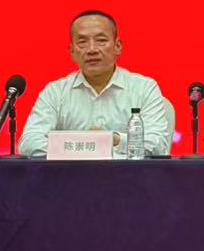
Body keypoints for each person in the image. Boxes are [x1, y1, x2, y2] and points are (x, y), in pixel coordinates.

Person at [19, 10, 173, 157]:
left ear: (118, 46)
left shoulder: (143, 88)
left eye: (101, 41)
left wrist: (113, 139)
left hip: (128, 175)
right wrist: (84, 145)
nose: (92, 49)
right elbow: (29, 143)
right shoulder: (56, 92)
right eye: (82, 42)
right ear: (72, 51)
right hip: (70, 174)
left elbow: (158, 145)